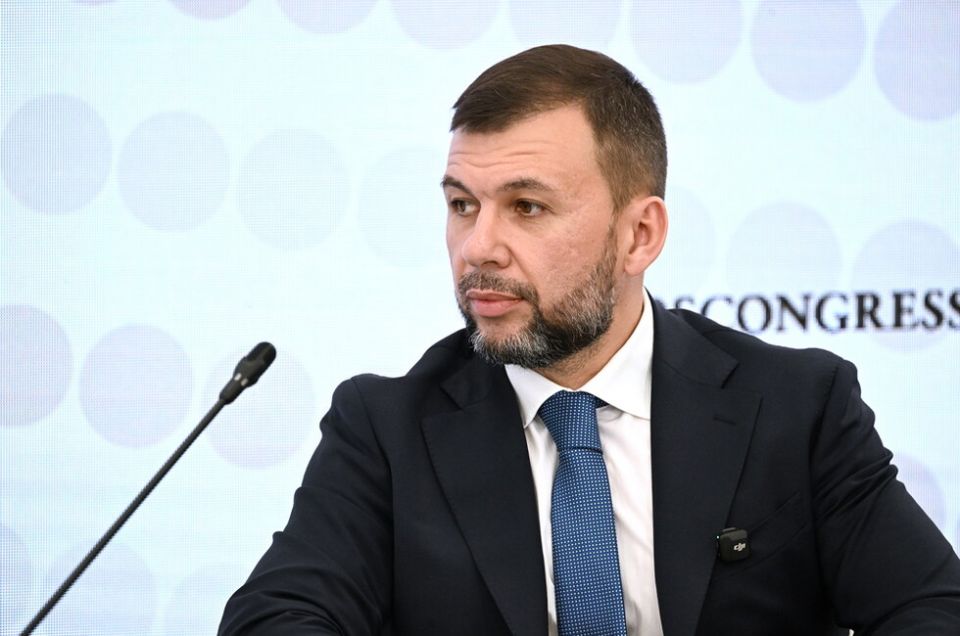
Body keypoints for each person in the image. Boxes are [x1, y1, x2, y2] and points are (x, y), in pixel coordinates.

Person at [219, 44, 960, 635]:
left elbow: (932, 608)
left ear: (640, 235)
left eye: (527, 207)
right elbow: (276, 618)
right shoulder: (386, 429)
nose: (477, 247)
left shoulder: (796, 407)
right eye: (462, 205)